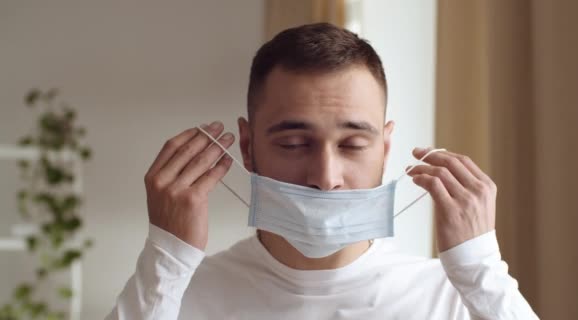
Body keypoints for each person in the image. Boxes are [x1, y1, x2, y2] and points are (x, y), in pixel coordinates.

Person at [106, 23, 538, 319]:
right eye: (294, 144)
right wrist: (166, 258)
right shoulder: (178, 294)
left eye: (353, 144)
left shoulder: (455, 297)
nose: (325, 176)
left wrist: (480, 267)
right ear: (248, 146)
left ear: (385, 148)